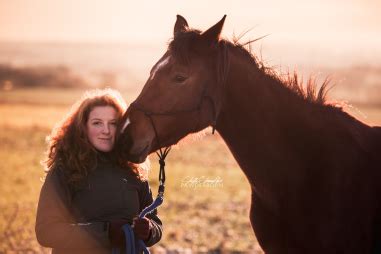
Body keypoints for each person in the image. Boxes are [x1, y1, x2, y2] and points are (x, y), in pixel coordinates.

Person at [35, 89, 162, 254]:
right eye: (97, 123)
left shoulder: (133, 170)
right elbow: (47, 231)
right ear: (83, 127)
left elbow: (156, 224)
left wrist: (149, 230)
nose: (106, 130)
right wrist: (106, 233)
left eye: (113, 123)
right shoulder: (64, 171)